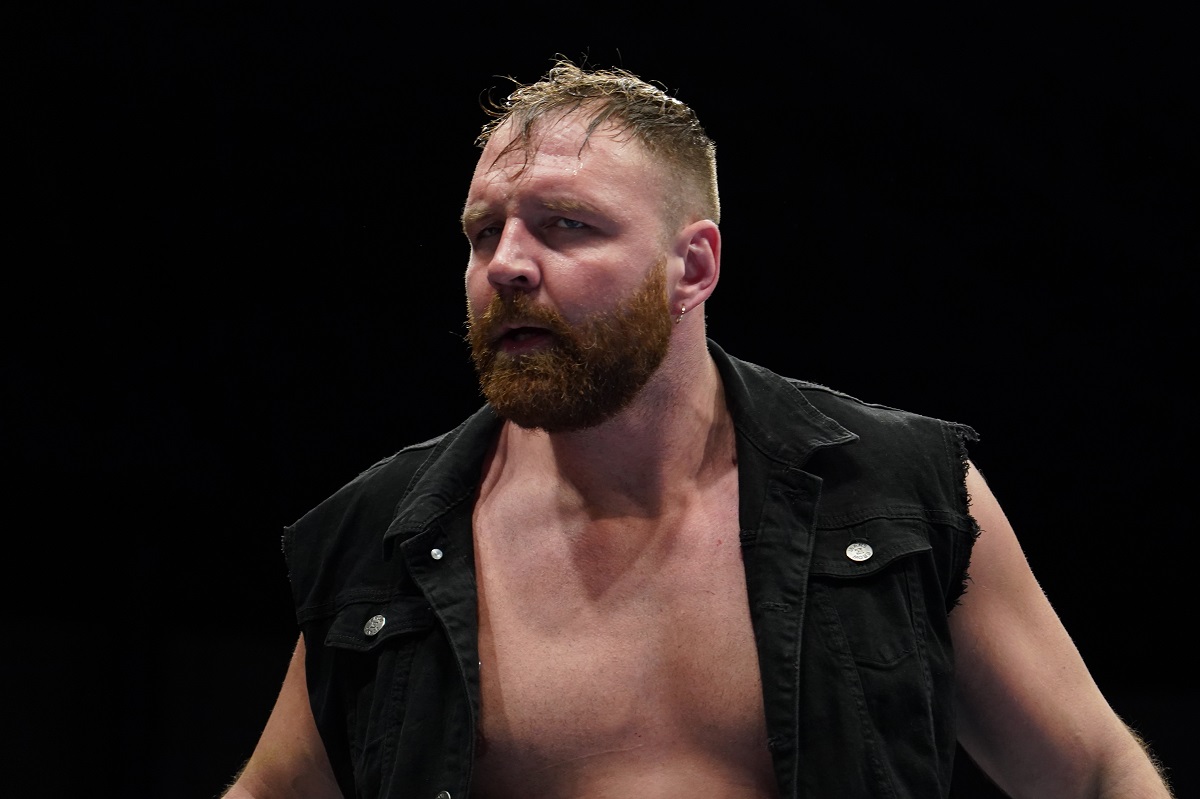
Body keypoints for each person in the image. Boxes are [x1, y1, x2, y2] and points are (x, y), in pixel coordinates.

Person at [221, 59, 1174, 799]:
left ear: (694, 267)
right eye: (483, 232)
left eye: (565, 225)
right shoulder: (381, 537)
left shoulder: (897, 492)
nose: (506, 263)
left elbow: (1098, 772)